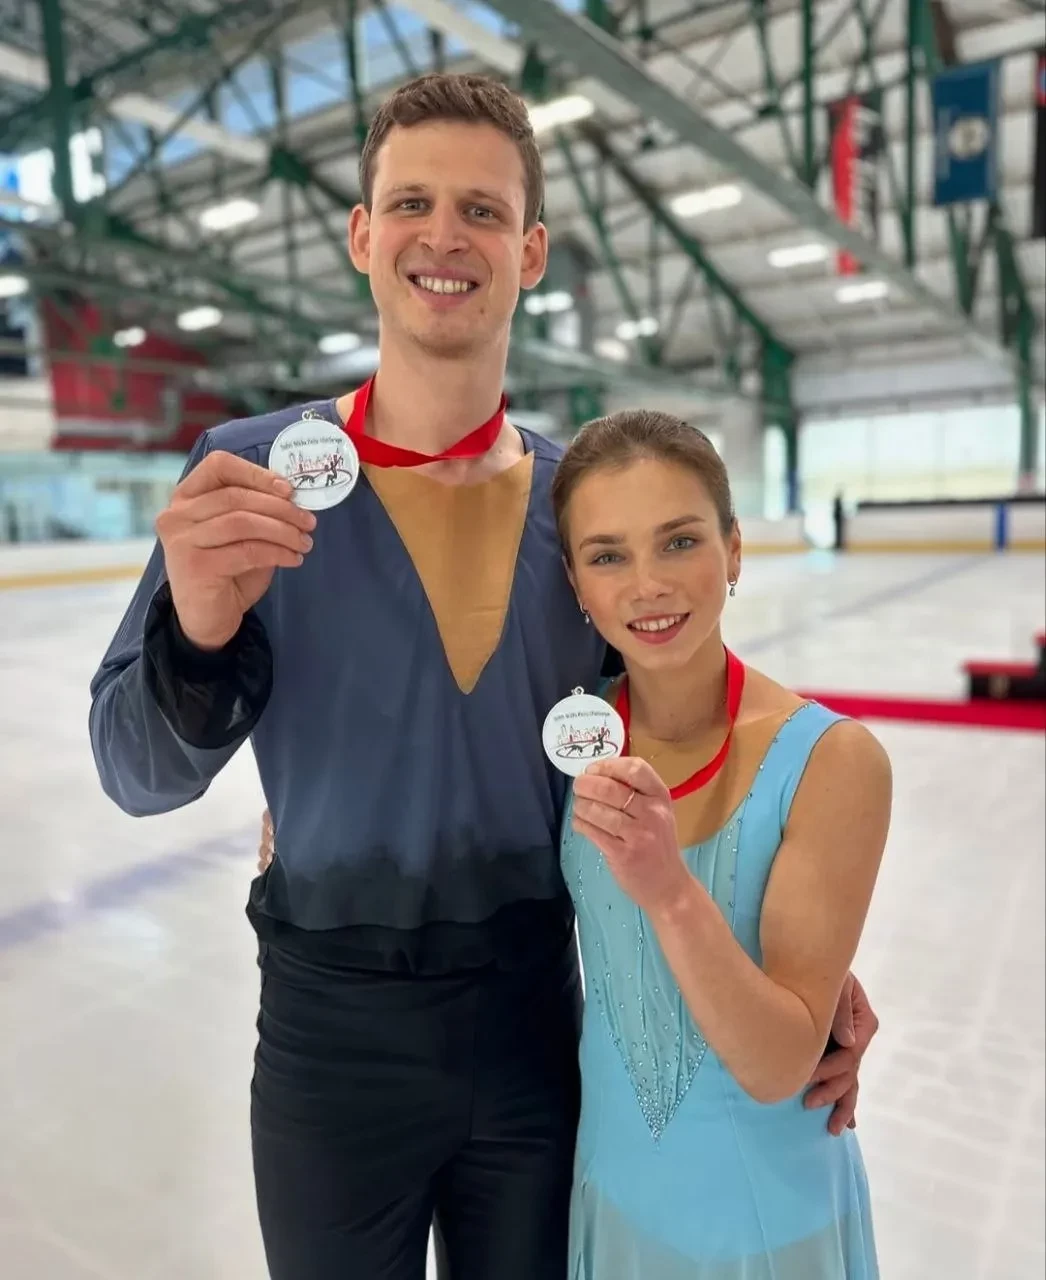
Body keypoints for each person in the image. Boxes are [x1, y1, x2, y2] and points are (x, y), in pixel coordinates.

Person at [90, 72, 877, 1280]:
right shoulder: (250, 481)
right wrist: (194, 630)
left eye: (482, 210)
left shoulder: (580, 511)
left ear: (531, 250)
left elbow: (678, 727)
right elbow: (134, 774)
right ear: (361, 235)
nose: (443, 236)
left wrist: (803, 956)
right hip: (331, 1035)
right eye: (411, 202)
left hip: (532, 1027)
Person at [551, 409, 890, 1277]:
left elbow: (779, 1063)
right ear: (575, 581)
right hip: (613, 1200)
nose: (648, 586)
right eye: (608, 556)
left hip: (772, 1223)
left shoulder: (833, 761)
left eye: (679, 541)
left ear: (734, 550)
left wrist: (671, 892)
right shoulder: (567, 745)